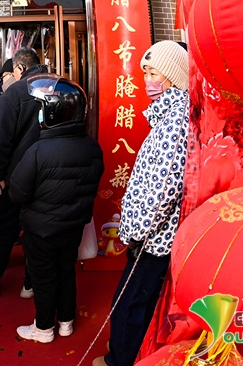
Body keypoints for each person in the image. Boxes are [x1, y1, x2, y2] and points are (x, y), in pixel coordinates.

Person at [94, 40, 190, 366]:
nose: (147, 79)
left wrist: (137, 231)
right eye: (145, 72)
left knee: (128, 306)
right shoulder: (170, 114)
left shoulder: (176, 123)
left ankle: (119, 361)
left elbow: (165, 189)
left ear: (173, 76)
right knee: (134, 304)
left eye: (153, 72)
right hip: (148, 237)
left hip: (151, 240)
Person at [10, 75, 104, 343]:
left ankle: (43, 329)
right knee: (66, 271)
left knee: (43, 277)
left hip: (41, 230)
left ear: (52, 112)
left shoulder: (39, 151)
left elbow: (17, 193)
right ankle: (66, 321)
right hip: (73, 227)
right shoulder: (92, 147)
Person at [0, 47, 46, 298]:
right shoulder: (61, 87)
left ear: (19, 68)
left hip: (16, 178)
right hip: (48, 178)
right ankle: (30, 283)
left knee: (5, 228)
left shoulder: (14, 92)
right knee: (37, 231)